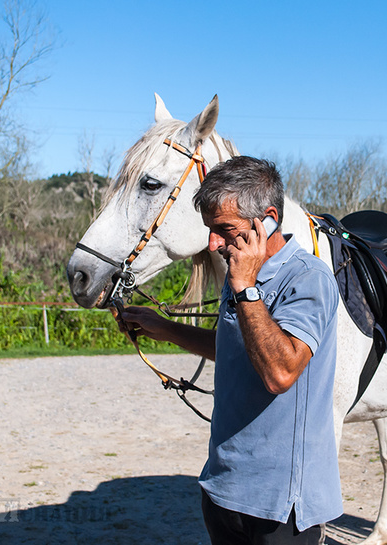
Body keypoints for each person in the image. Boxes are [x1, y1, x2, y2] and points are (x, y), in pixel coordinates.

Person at [119, 156, 342, 544]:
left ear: (268, 219)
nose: (213, 244)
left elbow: (280, 373)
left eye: (224, 230)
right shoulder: (240, 272)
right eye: (210, 230)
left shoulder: (307, 278)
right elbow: (237, 350)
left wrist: (246, 288)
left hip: (279, 506)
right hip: (224, 490)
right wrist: (165, 329)